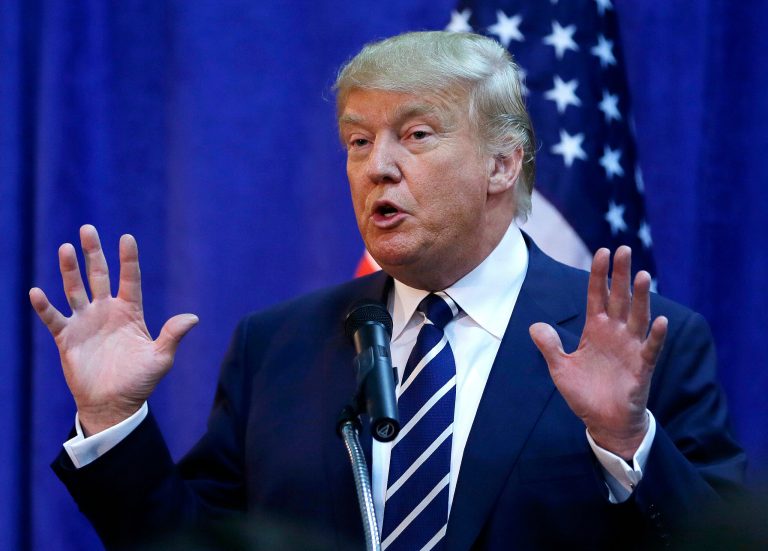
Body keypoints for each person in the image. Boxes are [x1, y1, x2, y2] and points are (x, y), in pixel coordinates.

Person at [30, 31, 745, 550]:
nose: (379, 166)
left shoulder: (641, 344)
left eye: (417, 134)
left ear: (503, 164)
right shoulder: (275, 347)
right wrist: (112, 419)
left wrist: (625, 442)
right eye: (358, 141)